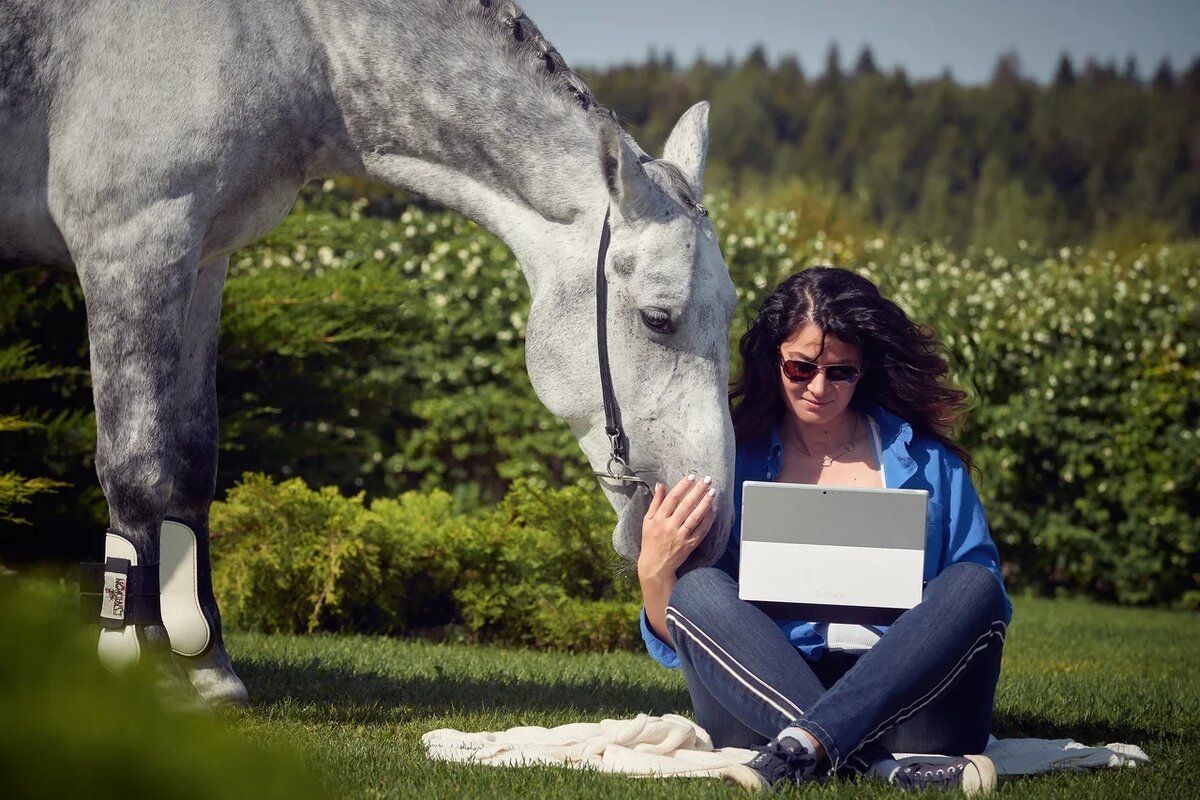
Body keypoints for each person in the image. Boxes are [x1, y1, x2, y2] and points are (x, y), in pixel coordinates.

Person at [637, 267, 1011, 793]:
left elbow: (981, 608)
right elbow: (694, 636)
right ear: (774, 360)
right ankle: (878, 765)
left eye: (841, 373)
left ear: (864, 371)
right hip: (766, 698)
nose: (819, 387)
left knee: (977, 583)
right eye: (800, 367)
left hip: (911, 705)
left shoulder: (928, 462)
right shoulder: (729, 461)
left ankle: (806, 748)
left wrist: (918, 607)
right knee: (698, 588)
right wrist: (655, 572)